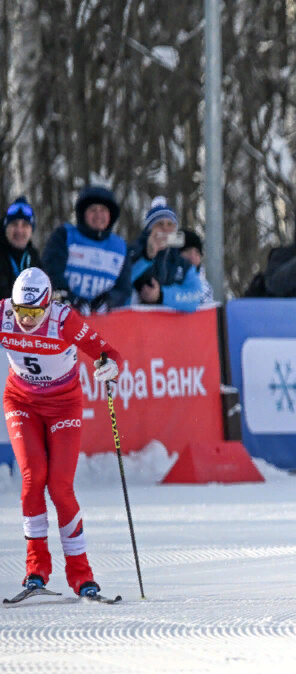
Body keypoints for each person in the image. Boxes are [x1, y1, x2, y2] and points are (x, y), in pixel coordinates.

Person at [2, 268, 122, 599]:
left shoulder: (63, 320)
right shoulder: (3, 315)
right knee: (32, 478)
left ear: (48, 305)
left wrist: (109, 368)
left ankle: (81, 575)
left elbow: (109, 354)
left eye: (34, 312)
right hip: (21, 401)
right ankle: (36, 570)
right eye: (21, 311)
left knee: (59, 486)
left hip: (63, 404)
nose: (26, 320)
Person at [41, 186, 132, 314]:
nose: (98, 215)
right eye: (93, 210)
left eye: (103, 210)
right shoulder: (64, 236)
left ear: (111, 215)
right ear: (83, 213)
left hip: (102, 323)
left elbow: (124, 288)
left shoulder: (120, 247)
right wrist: (72, 299)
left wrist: (109, 300)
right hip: (63, 317)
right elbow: (51, 272)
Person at [127, 198, 211, 311]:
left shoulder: (180, 261)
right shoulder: (132, 251)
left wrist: (161, 295)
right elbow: (121, 282)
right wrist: (146, 258)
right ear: (149, 229)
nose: (165, 229)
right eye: (159, 224)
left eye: (170, 224)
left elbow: (194, 296)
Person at [0, 197, 42, 299]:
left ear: (31, 230)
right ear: (5, 228)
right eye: (14, 224)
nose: (19, 230)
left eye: (25, 225)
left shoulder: (33, 257)